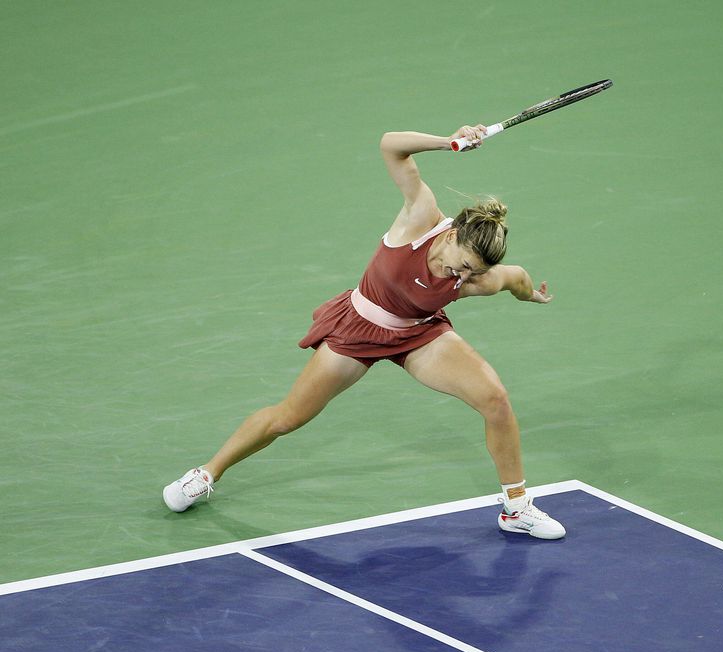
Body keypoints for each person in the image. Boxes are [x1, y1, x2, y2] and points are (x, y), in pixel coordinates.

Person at [162, 124, 565, 539]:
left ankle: (516, 508)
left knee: (495, 400)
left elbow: (515, 278)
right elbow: (391, 146)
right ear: (452, 235)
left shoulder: (476, 278)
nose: (461, 277)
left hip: (420, 334)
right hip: (358, 329)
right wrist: (448, 143)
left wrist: (532, 296)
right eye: (461, 265)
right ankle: (206, 473)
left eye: (472, 273)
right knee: (287, 418)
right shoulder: (421, 217)